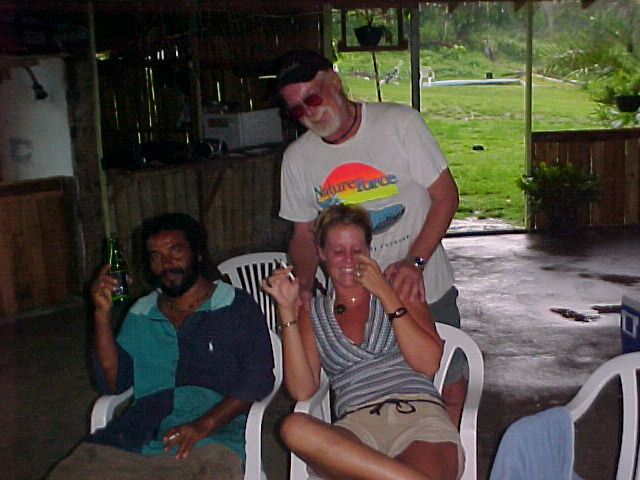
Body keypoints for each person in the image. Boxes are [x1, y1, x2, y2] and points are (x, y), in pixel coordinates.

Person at [273, 49, 465, 425]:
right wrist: (304, 283)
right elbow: (303, 233)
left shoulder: (400, 123)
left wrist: (414, 262)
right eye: (297, 109)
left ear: (335, 82)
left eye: (313, 98)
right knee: (371, 391)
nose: (309, 112)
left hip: (422, 286)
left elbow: (445, 196)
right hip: (352, 299)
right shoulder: (297, 158)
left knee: (449, 387)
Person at [47, 213, 274, 480]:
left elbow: (258, 379)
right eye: (155, 256)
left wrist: (203, 425)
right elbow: (113, 384)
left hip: (215, 433)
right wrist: (101, 314)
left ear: (198, 254)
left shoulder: (234, 305)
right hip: (136, 433)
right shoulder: (141, 312)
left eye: (175, 251)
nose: (166, 264)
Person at [262, 204, 464, 480]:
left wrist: (384, 292)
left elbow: (428, 364)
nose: (348, 260)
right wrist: (287, 310)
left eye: (357, 250)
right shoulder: (313, 311)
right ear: (321, 253)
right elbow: (302, 390)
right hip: (356, 428)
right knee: (294, 427)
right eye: (338, 251)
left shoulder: (400, 288)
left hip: (419, 416)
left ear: (369, 250)